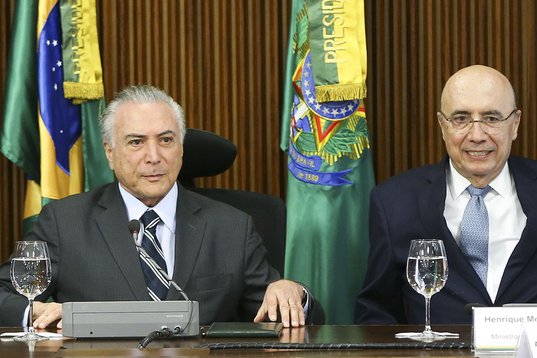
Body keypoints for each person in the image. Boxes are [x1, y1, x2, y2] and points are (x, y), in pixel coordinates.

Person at [0, 85, 322, 329]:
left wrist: (293, 293)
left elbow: (289, 313)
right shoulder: (64, 221)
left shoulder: (232, 226)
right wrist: (35, 310)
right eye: (136, 142)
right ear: (110, 153)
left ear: (181, 149)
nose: (154, 156)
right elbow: (4, 294)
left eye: (166, 140)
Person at [355, 65, 537, 324]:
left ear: (515, 124)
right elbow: (376, 312)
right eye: (461, 119)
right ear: (443, 126)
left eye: (491, 118)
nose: (477, 136)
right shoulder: (394, 202)